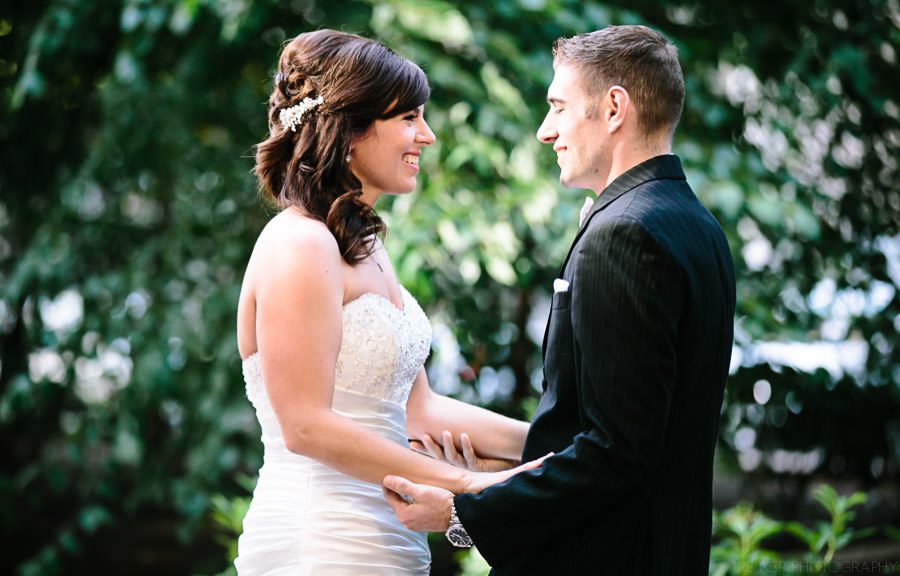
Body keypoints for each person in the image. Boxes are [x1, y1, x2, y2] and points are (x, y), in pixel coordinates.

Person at [382, 24, 736, 575]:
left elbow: (617, 451)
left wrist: (460, 512)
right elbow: (639, 432)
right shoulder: (698, 225)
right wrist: (506, 469)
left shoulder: (624, 234)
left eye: (558, 107)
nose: (545, 131)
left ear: (614, 108)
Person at [234, 29, 541, 575]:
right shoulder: (300, 243)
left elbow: (419, 410)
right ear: (350, 131)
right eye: (408, 118)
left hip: (389, 542)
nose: (427, 135)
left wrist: (552, 448)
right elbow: (305, 425)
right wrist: (469, 485)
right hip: (321, 541)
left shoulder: (364, 247)